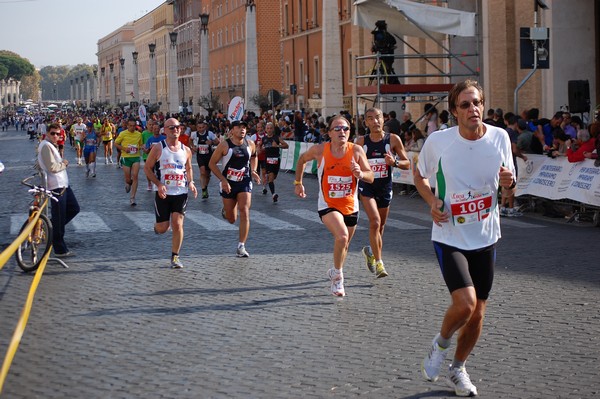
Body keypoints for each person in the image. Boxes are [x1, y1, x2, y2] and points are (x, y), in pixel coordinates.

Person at [415, 80, 516, 397]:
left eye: (477, 103)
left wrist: (510, 183)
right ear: (454, 111)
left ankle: (458, 369)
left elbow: (510, 190)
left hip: (486, 236)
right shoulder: (438, 142)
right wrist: (433, 202)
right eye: (465, 105)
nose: (473, 109)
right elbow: (418, 175)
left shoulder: (500, 138)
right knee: (466, 303)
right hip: (450, 235)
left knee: (478, 313)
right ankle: (440, 343)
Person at [294, 115, 374, 297]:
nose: (342, 132)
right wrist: (298, 183)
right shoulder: (320, 150)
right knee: (342, 236)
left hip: (351, 206)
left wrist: (360, 173)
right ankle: (338, 280)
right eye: (337, 129)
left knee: (344, 244)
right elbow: (301, 160)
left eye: (345, 129)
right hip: (328, 204)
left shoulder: (356, 151)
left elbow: (371, 176)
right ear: (329, 133)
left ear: (350, 132)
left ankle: (335, 270)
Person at [356, 107, 409, 278]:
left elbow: (407, 163)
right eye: (370, 118)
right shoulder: (361, 142)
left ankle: (371, 251)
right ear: (366, 122)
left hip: (385, 187)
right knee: (375, 222)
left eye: (378, 117)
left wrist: (394, 162)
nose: (375, 121)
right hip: (367, 187)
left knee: (381, 226)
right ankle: (380, 263)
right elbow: (350, 163)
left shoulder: (393, 139)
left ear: (383, 119)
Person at [144, 118, 197, 269]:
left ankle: (175, 256)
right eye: (172, 128)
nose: (175, 130)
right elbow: (147, 168)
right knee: (162, 228)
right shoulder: (159, 148)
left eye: (178, 127)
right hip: (163, 192)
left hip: (181, 191)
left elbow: (188, 168)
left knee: (178, 224)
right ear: (165, 130)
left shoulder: (186, 150)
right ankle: (158, 226)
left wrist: (191, 182)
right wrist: (158, 184)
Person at [209, 120, 261, 257]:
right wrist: (223, 180)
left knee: (244, 210)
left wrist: (254, 170)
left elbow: (254, 156)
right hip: (228, 184)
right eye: (238, 127)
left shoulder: (250, 144)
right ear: (232, 130)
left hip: (244, 181)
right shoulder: (224, 145)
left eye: (244, 127)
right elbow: (212, 164)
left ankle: (241, 246)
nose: (242, 130)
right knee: (232, 218)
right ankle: (226, 211)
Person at [37, 123, 80, 257]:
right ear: (47, 133)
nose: (56, 136)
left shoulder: (50, 145)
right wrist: (64, 164)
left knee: (74, 208)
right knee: (60, 216)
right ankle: (60, 249)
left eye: (58, 133)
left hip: (63, 184)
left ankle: (50, 225)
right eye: (53, 133)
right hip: (55, 186)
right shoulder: (45, 146)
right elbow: (52, 167)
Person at [114, 118, 143, 206]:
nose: (132, 127)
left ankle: (132, 197)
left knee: (135, 176)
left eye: (134, 126)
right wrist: (124, 149)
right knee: (128, 178)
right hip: (125, 157)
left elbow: (141, 145)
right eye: (130, 126)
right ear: (127, 126)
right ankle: (128, 183)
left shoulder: (139, 134)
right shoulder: (123, 134)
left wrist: (141, 147)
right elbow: (116, 143)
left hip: (136, 157)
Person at [260, 122, 289, 202]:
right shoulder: (264, 139)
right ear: (266, 130)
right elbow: (258, 147)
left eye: (271, 128)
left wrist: (277, 146)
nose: (269, 130)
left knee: (273, 177)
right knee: (271, 178)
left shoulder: (277, 138)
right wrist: (260, 150)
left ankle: (265, 185)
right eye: (268, 128)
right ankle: (274, 194)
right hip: (268, 160)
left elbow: (286, 145)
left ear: (273, 129)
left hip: (276, 160)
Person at [190, 120, 218, 199]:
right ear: (197, 128)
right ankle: (203, 190)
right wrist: (193, 147)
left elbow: (218, 142)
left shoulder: (210, 134)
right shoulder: (194, 134)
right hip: (200, 156)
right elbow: (190, 140)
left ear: (205, 127)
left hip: (209, 155)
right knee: (202, 172)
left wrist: (211, 142)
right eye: (199, 128)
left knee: (207, 175)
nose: (201, 129)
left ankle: (205, 187)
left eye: (202, 127)